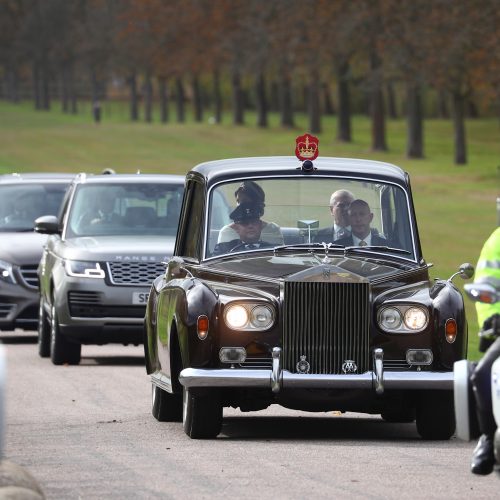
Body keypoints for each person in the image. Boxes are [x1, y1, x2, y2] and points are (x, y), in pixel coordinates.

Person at [470, 226, 500, 475]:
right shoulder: (498, 240)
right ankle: (488, 438)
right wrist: (493, 320)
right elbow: (485, 288)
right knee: (481, 374)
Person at [217, 181, 283, 245]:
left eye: (254, 221)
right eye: (244, 223)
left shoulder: (272, 230)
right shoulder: (227, 232)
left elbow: (279, 255)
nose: (250, 225)